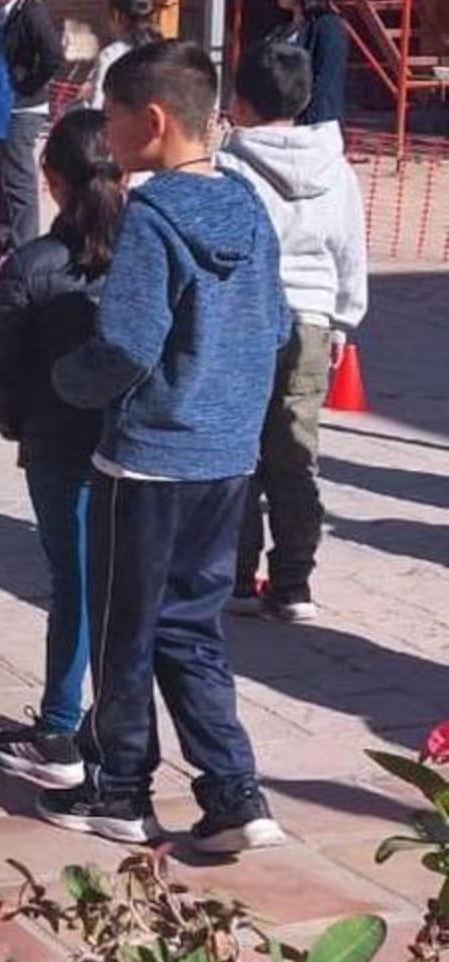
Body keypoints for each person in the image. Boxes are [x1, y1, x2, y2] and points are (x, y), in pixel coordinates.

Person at [47, 40, 292, 853]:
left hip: (148, 459)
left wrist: (67, 382)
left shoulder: (150, 218)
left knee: (127, 632)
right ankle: (234, 795)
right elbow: (279, 327)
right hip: (226, 458)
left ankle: (121, 791)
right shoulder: (249, 207)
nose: (103, 133)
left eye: (110, 116)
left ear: (150, 122)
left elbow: (125, 344)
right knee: (193, 628)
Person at [0, 109, 120, 787]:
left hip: (57, 446)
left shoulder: (33, 264)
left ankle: (62, 726)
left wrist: (18, 425)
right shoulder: (143, 256)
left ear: (50, 179)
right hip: (133, 448)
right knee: (124, 589)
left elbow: (1, 363)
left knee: (74, 584)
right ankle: (117, 725)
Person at [220, 41, 368, 621]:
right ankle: (292, 583)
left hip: (244, 320)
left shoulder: (229, 165)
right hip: (310, 321)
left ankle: (235, 578)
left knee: (238, 451)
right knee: (294, 454)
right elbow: (349, 252)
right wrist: (342, 323)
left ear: (240, 100)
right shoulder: (337, 168)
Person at [0, 0, 65, 271]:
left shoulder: (31, 11)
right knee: (1, 176)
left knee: (18, 181)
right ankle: (5, 241)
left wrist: (26, 86)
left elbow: (53, 55)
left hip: (22, 109)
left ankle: (23, 251)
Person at [270, 0, 348, 125]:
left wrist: (296, 117)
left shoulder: (327, 25)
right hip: (281, 119)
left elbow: (323, 77)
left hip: (315, 123)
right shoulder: (281, 29)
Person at [86, 0, 165, 109]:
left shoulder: (111, 55)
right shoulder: (164, 50)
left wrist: (85, 101)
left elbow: (97, 107)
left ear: (117, 16)